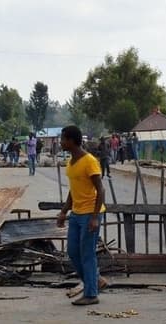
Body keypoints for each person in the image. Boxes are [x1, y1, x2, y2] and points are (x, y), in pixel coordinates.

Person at [55, 125, 106, 306]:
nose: (61, 142)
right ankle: (96, 280)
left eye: (63, 139)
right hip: (76, 214)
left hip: (90, 214)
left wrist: (94, 217)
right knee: (73, 252)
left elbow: (101, 190)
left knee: (87, 254)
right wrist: (64, 212)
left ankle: (91, 294)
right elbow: (73, 190)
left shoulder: (89, 161)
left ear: (71, 140)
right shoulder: (71, 162)